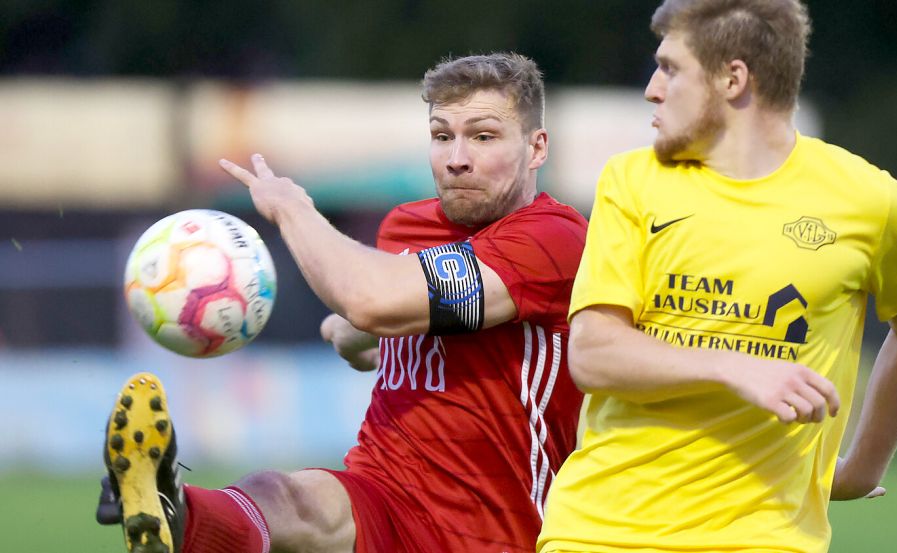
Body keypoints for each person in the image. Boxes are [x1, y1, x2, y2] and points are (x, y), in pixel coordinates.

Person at [97, 52, 588, 553]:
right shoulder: (405, 226)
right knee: (280, 496)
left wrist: (292, 209)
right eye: (442, 136)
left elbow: (373, 302)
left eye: (483, 136)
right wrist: (357, 335)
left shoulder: (552, 239)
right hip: (381, 492)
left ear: (535, 147)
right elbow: (397, 320)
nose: (456, 157)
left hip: (489, 533)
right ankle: (169, 510)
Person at [536, 2, 897, 552]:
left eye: (671, 69)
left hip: (766, 539)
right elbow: (594, 354)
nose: (652, 90)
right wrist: (735, 367)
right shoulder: (631, 181)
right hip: (599, 533)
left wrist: (860, 468)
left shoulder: (874, 204)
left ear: (732, 78)